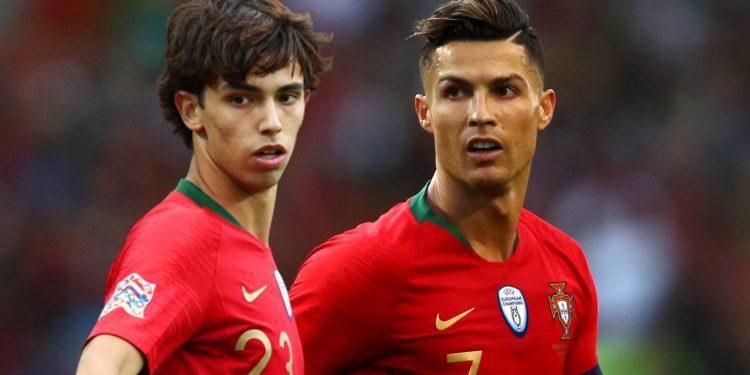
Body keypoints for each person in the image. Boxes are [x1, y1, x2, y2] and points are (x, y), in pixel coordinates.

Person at [289, 0, 601, 374]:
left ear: (544, 109)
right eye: (456, 92)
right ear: (425, 112)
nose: (480, 114)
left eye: (504, 90)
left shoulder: (565, 267)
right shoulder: (360, 269)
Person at [75, 0, 330, 373]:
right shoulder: (182, 235)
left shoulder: (247, 251)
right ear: (192, 110)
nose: (272, 121)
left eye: (286, 97)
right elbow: (102, 366)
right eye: (241, 99)